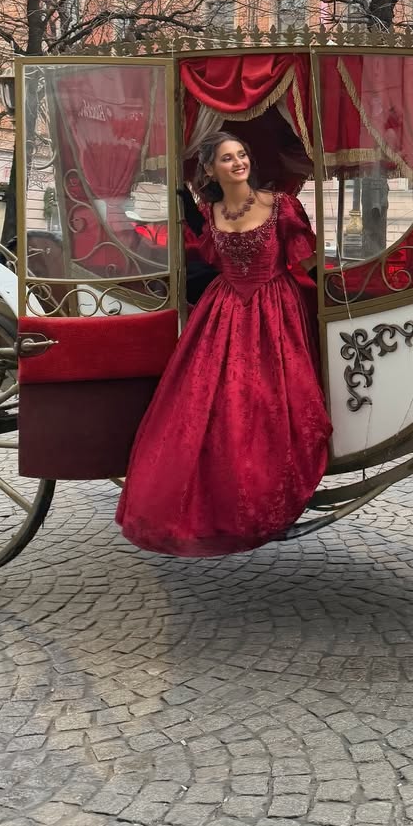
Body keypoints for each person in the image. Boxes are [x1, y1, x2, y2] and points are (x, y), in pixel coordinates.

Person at [115, 130, 332, 556]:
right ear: (212, 169)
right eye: (228, 158)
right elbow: (212, 259)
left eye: (243, 154)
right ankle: (208, 497)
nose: (239, 162)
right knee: (207, 402)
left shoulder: (281, 206)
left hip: (276, 308)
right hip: (225, 308)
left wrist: (341, 289)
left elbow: (309, 258)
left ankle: (264, 486)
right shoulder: (206, 212)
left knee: (270, 400)